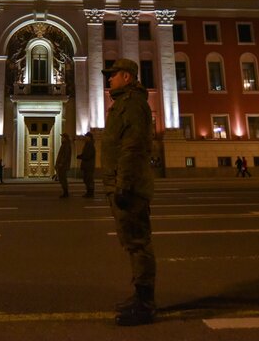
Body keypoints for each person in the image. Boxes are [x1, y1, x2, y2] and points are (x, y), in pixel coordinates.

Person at [101, 58, 156, 326]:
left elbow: (132, 147)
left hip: (129, 187)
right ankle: (140, 296)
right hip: (121, 183)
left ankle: (145, 304)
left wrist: (123, 184)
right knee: (132, 243)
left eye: (112, 75)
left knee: (137, 243)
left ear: (125, 76)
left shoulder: (132, 104)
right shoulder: (123, 103)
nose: (108, 79)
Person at [77, 131, 96, 197]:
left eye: (86, 136)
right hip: (87, 165)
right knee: (86, 179)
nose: (85, 137)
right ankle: (89, 192)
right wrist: (80, 156)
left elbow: (88, 155)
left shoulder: (90, 145)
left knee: (89, 179)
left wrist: (81, 156)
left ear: (89, 137)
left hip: (89, 166)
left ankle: (90, 193)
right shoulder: (87, 144)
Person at [55, 132, 71, 198]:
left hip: (63, 165)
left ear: (65, 138)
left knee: (63, 179)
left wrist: (61, 163)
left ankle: (66, 193)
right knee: (62, 179)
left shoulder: (66, 145)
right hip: (62, 165)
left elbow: (65, 156)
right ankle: (65, 192)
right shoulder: (64, 144)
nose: (62, 138)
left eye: (63, 137)